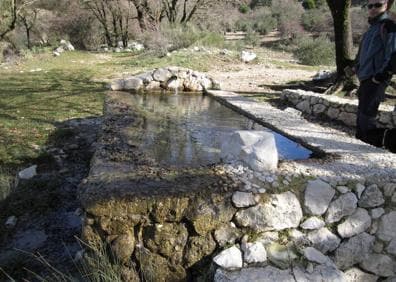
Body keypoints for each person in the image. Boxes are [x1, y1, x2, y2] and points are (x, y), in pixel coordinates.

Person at [354, 0, 396, 143]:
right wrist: (357, 69)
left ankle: (369, 146)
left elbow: (393, 54)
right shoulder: (371, 28)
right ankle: (360, 143)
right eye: (370, 5)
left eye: (377, 5)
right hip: (365, 78)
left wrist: (380, 76)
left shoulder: (389, 26)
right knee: (362, 115)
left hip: (375, 78)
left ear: (385, 5)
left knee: (367, 115)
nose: (373, 8)